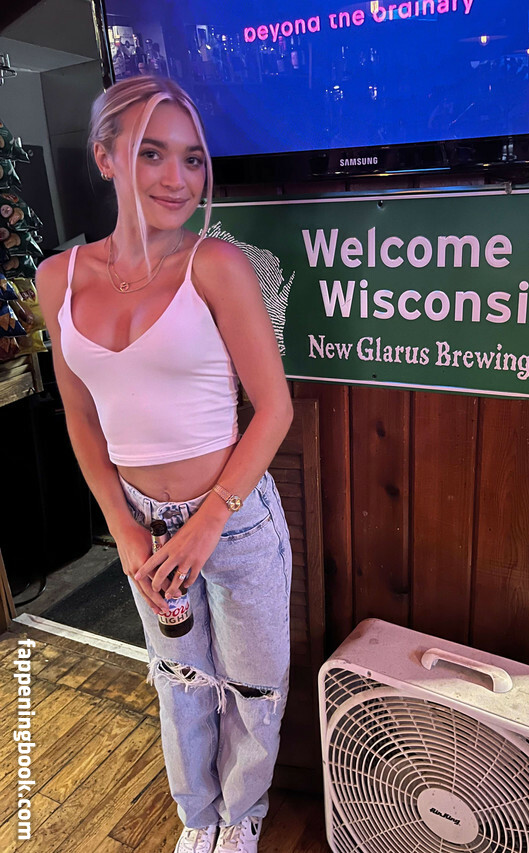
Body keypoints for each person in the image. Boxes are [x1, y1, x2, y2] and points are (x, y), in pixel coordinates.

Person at [36, 76, 293, 853]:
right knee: (178, 681)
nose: (178, 178)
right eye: (152, 153)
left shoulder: (217, 264)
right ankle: (199, 817)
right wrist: (123, 529)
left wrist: (208, 520)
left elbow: (274, 409)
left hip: (235, 520)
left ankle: (242, 815)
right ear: (105, 156)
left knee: (253, 687)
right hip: (143, 526)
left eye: (191, 158)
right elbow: (82, 419)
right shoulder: (57, 279)